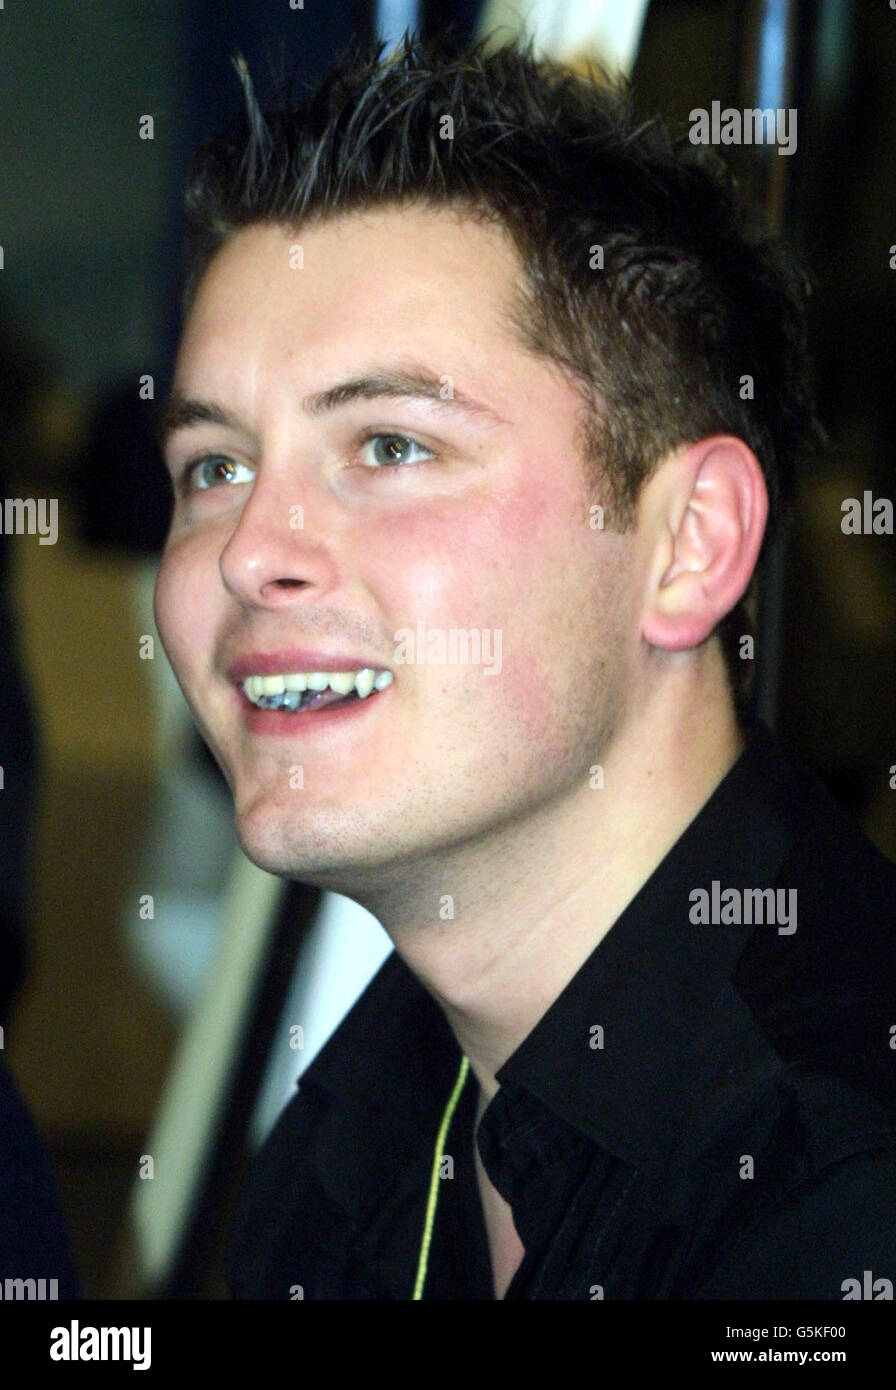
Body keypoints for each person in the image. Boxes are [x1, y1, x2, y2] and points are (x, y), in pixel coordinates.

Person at [153, 34, 896, 1299]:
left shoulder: (837, 1182)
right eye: (213, 468)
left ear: (686, 546)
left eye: (389, 445)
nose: (247, 554)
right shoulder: (366, 1121)